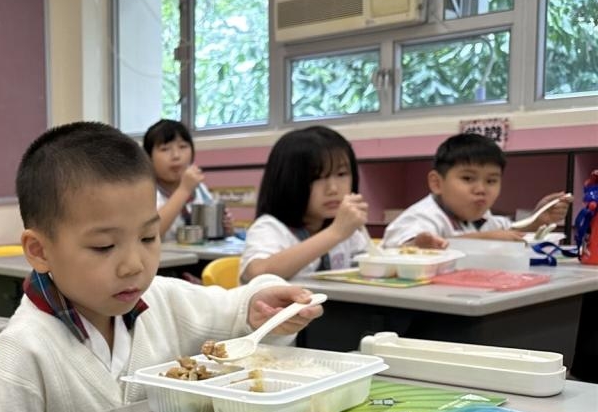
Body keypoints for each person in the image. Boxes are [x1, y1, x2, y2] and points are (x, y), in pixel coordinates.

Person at [0, 121, 321, 412]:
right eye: (104, 246)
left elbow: (235, 311)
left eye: (148, 238)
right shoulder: (21, 355)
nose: (134, 265)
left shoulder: (161, 300)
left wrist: (261, 306)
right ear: (40, 251)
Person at [382, 133, 569, 249]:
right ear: (437, 183)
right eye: (467, 178)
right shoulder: (422, 217)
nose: (481, 189)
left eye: (491, 181)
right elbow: (403, 247)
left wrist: (538, 220)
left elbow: (509, 232)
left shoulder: (484, 218)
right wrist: (421, 244)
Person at [241, 126, 370, 282]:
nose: (333, 189)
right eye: (316, 177)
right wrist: (335, 233)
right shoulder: (270, 228)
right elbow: (256, 272)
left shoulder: (347, 231)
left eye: (341, 174)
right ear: (288, 182)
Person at [143, 118, 232, 240]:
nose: (176, 155)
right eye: (165, 149)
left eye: (183, 146)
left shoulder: (199, 189)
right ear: (148, 157)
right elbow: (150, 234)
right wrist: (184, 190)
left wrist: (226, 229)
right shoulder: (145, 191)